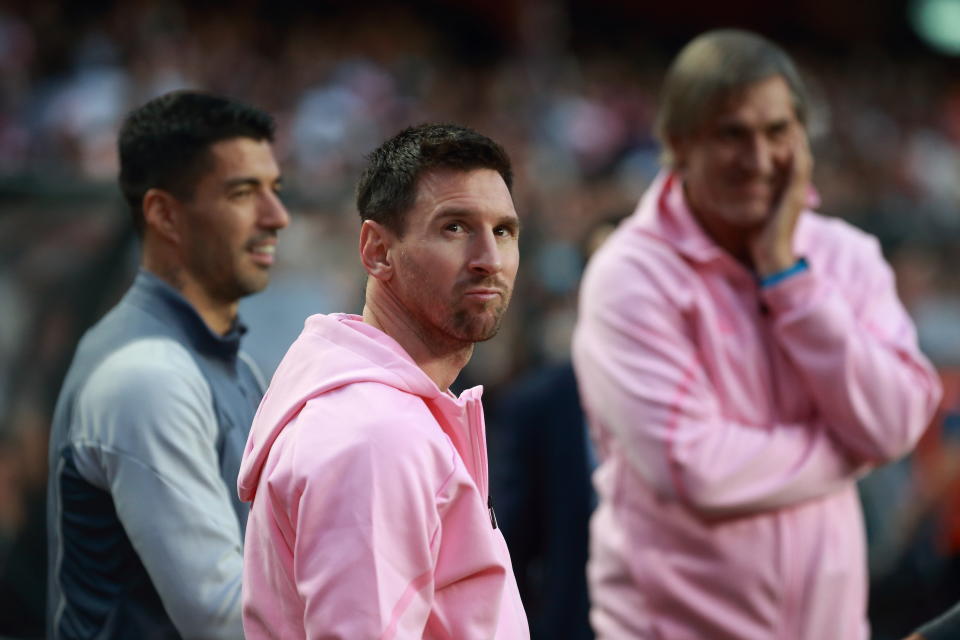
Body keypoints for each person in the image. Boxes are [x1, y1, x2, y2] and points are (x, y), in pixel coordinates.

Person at [571, 29, 942, 640]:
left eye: (777, 132)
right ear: (677, 143)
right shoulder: (630, 275)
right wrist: (849, 450)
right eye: (731, 134)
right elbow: (691, 466)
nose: (759, 158)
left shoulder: (847, 256)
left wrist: (788, 277)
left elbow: (899, 421)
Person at [238, 123, 529, 639]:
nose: (489, 259)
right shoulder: (375, 435)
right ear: (376, 250)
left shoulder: (380, 414)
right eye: (455, 227)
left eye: (503, 231)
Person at [46, 90, 289, 639]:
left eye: (275, 190)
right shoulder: (147, 374)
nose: (278, 217)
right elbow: (228, 618)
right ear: (164, 214)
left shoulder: (236, 364)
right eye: (243, 192)